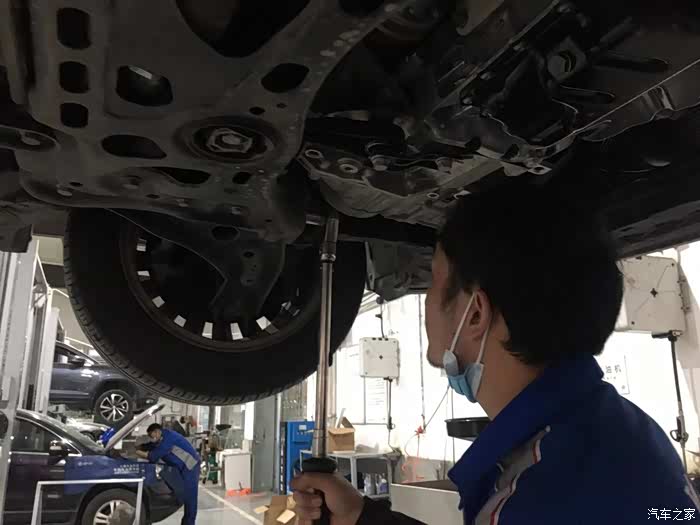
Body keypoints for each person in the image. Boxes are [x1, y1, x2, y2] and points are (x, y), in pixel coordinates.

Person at [292, 184, 700, 524]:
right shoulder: (619, 432)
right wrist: (362, 516)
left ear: (475, 314)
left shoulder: (543, 496)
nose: (426, 301)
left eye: (433, 281)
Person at [136, 423, 200, 525]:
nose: (151, 438)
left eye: (152, 436)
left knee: (190, 498)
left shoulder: (169, 439)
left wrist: (138, 453)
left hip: (190, 467)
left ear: (157, 432)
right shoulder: (163, 436)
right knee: (183, 494)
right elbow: (153, 445)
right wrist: (141, 446)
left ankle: (189, 523)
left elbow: (153, 456)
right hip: (181, 468)